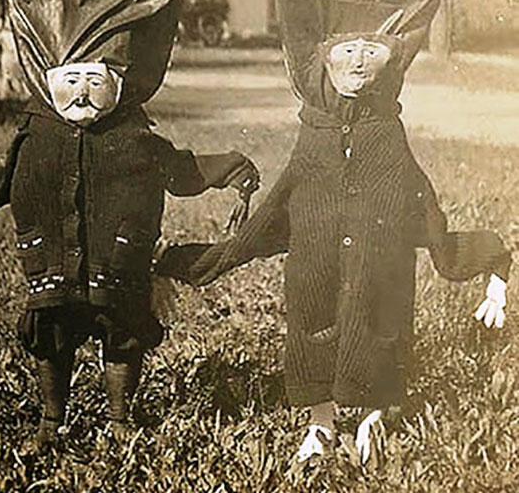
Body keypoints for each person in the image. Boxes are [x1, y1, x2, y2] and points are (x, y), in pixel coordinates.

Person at [156, 28, 511, 463]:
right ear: (324, 62)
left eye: (371, 52)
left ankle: (372, 415)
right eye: (347, 51)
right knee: (312, 329)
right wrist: (185, 262)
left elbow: (425, 210)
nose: (358, 62)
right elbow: (268, 217)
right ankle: (320, 424)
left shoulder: (388, 136)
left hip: (380, 269)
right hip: (313, 267)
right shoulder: (314, 136)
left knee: (380, 325)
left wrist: (490, 263)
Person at [0, 60, 260, 449]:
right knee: (52, 336)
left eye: (95, 81)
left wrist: (230, 169)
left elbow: (182, 169)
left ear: (117, 86)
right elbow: (2, 181)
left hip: (119, 267)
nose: (81, 93)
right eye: (72, 80)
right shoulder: (36, 139)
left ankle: (119, 418)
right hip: (53, 269)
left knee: (123, 336)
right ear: (49, 84)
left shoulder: (136, 139)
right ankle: (51, 421)